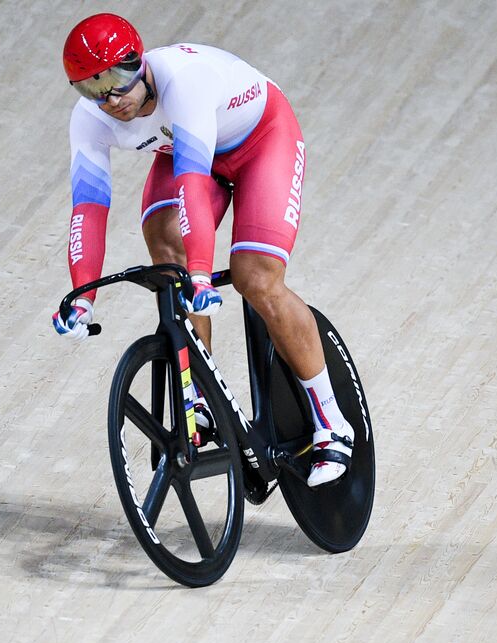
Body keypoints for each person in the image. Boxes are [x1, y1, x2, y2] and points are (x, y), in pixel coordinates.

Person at [55, 13, 352, 486]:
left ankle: (332, 422)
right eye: (91, 88)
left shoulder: (183, 83)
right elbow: (88, 208)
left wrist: (200, 274)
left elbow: (192, 183)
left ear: (139, 59)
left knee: (255, 278)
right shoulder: (89, 119)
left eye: (115, 78)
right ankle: (198, 396)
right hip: (187, 153)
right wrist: (82, 296)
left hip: (261, 142)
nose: (110, 99)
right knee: (165, 250)